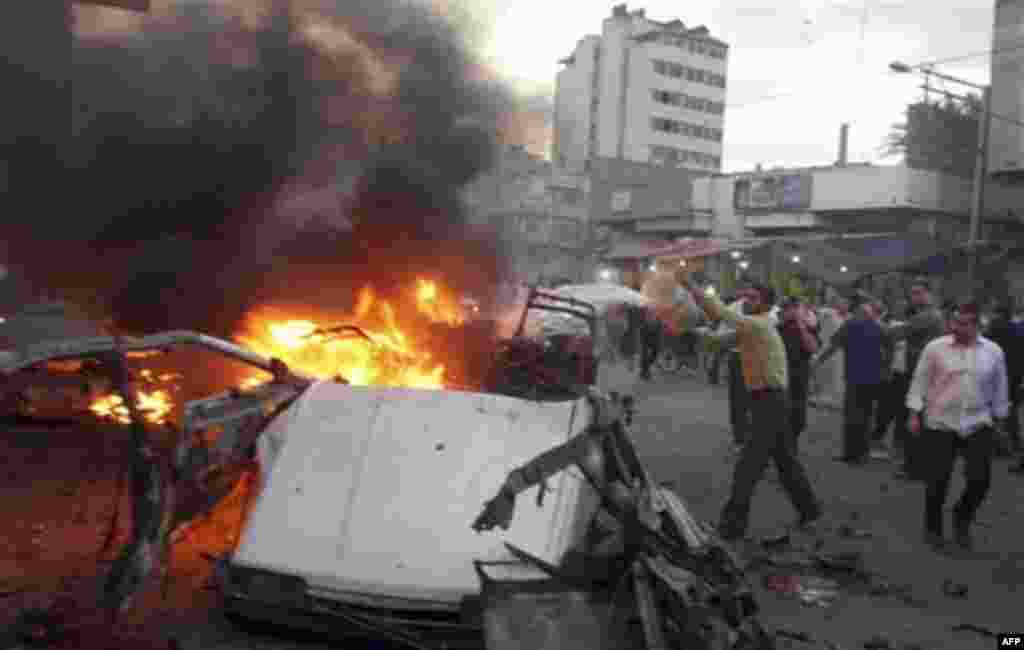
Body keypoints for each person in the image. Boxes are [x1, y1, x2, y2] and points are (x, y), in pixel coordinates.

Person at [684, 280, 822, 541]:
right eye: (746, 296)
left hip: (770, 401)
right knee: (786, 462)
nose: (748, 301)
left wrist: (694, 289)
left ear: (766, 304)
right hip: (770, 400)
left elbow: (722, 313)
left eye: (754, 298)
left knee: (748, 467)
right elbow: (717, 341)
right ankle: (809, 510)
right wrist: (692, 329)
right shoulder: (754, 327)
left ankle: (732, 527)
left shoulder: (759, 324)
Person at [906, 301, 1009, 551]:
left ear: (976, 325)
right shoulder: (935, 348)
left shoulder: (993, 352)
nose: (956, 327)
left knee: (980, 480)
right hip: (940, 422)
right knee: (937, 481)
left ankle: (962, 518)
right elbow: (920, 381)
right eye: (954, 322)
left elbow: (1000, 388)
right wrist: (914, 413)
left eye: (963, 323)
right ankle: (933, 530)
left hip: (978, 423)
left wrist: (1001, 421)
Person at [814, 301, 891, 464]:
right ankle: (862, 453)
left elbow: (833, 346)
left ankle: (851, 454)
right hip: (873, 378)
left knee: (852, 416)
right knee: (866, 416)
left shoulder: (850, 325)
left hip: (854, 377)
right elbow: (889, 348)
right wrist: (885, 370)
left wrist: (817, 361)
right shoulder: (881, 328)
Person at [884, 280, 946, 480]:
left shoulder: (928, 316)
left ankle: (915, 467)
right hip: (924, 372)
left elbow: (896, 333)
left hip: (922, 374)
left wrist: (873, 321)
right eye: (913, 293)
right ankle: (918, 465)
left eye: (919, 293)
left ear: (930, 294)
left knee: (916, 419)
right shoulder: (930, 315)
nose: (915, 297)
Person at [777, 297, 820, 449]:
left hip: (800, 378)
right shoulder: (778, 327)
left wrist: (802, 326)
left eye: (794, 309)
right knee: (781, 415)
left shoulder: (807, 327)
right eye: (786, 309)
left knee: (798, 419)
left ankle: (789, 443)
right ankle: (783, 447)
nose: (791, 312)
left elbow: (813, 348)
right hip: (780, 378)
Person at [984, 304, 1024, 459]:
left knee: (994, 408)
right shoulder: (1017, 329)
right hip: (1014, 374)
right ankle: (1014, 442)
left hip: (996, 373)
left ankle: (998, 444)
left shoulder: (993, 328)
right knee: (1011, 409)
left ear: (999, 314)